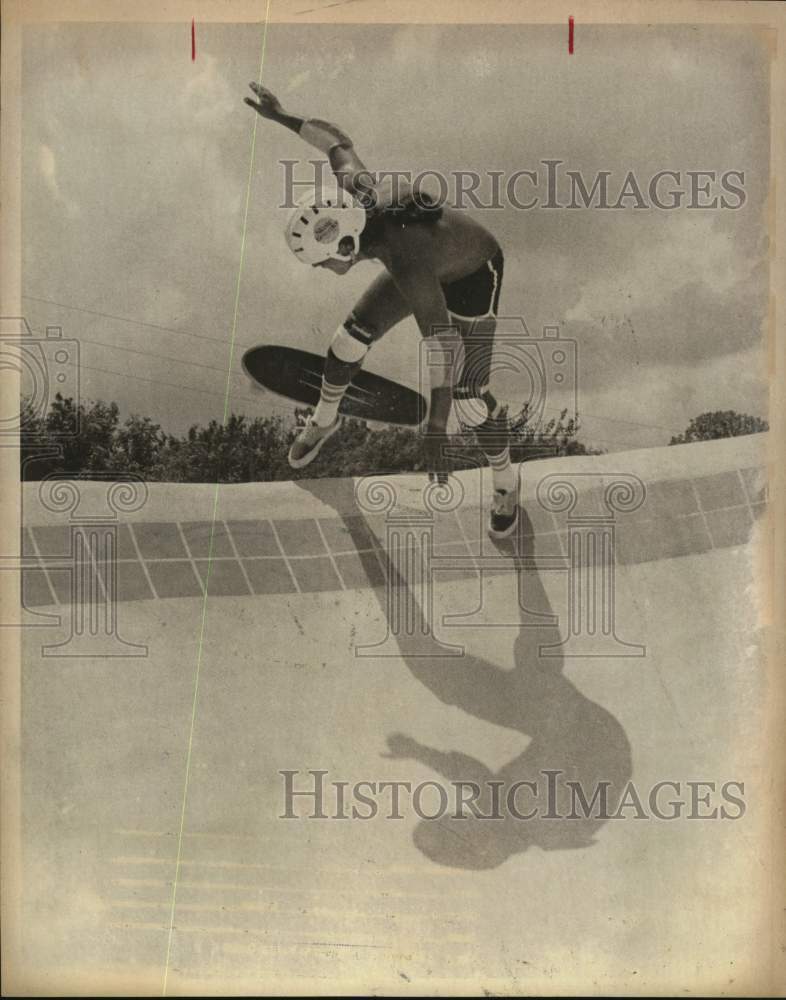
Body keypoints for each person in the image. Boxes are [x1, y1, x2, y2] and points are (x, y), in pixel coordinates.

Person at [244, 82, 518, 539]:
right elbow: (337, 143)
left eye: (327, 261)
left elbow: (441, 345)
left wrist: (436, 424)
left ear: (349, 242)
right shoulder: (355, 193)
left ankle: (507, 483)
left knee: (470, 399)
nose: (328, 270)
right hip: (429, 258)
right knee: (348, 339)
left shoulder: (405, 260)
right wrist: (282, 116)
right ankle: (325, 418)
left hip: (472, 272)